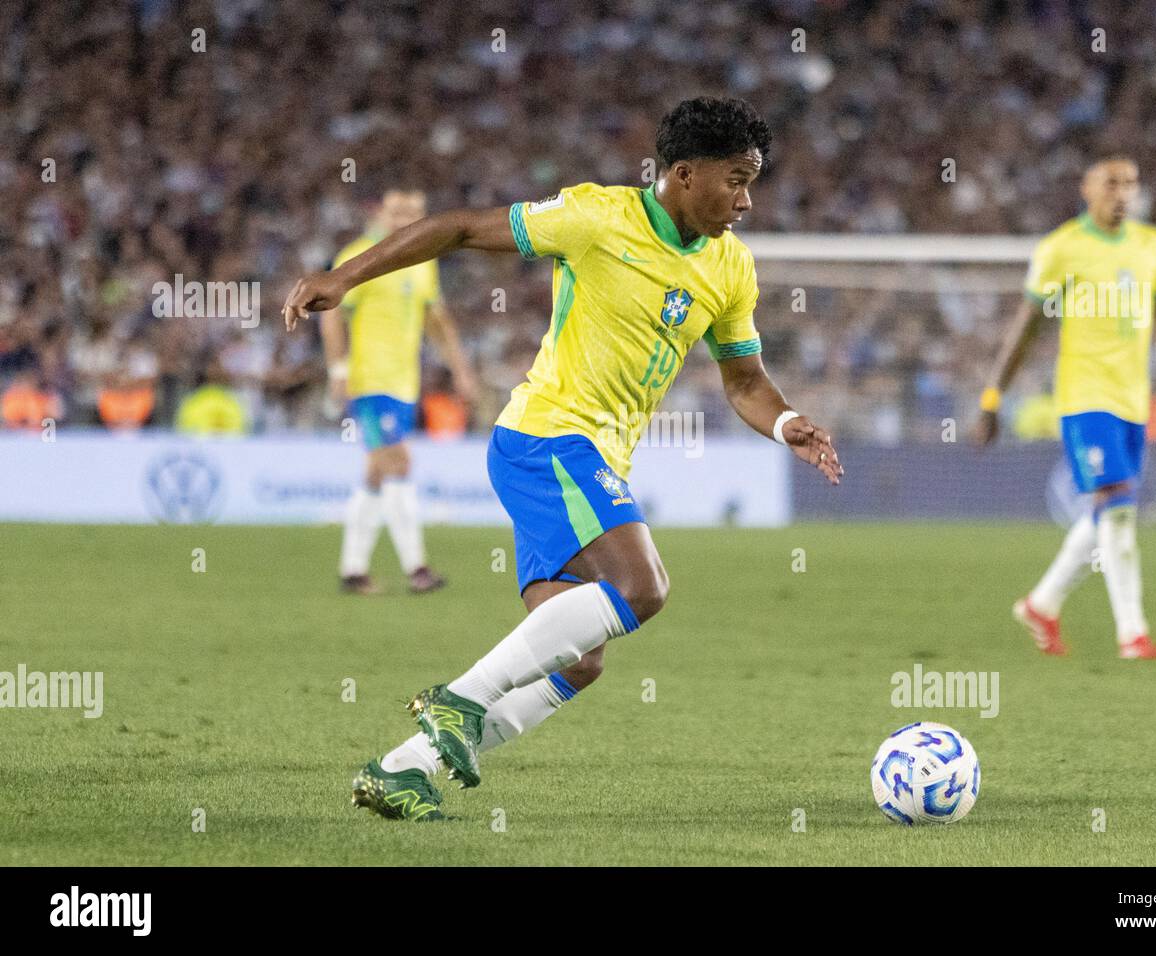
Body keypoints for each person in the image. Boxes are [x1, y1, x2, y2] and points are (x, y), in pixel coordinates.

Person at [282, 97, 843, 820]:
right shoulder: (595, 217)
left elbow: (743, 380)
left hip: (588, 457)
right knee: (643, 588)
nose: (746, 200)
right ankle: (457, 700)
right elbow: (458, 227)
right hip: (548, 438)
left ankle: (401, 767)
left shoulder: (731, 268)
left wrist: (788, 420)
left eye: (751, 182)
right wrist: (346, 277)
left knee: (579, 658)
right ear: (683, 173)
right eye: (735, 180)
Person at [977, 157, 1156, 660]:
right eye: (1112, 183)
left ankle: (1042, 602)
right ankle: (1132, 634)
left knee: (1110, 508)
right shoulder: (1061, 248)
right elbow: (1026, 328)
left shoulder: (1151, 246)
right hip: (1084, 397)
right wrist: (992, 398)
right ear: (1087, 190)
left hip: (1132, 401)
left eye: (1131, 184)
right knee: (1118, 504)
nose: (1123, 193)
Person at [321, 188, 477, 595]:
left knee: (376, 471)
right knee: (399, 463)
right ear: (381, 213)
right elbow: (332, 312)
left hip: (404, 383)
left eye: (413, 211)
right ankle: (418, 569)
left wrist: (460, 368)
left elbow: (436, 318)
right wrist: (338, 368)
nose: (404, 218)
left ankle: (353, 571)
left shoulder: (422, 263)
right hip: (370, 380)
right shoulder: (358, 256)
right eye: (397, 211)